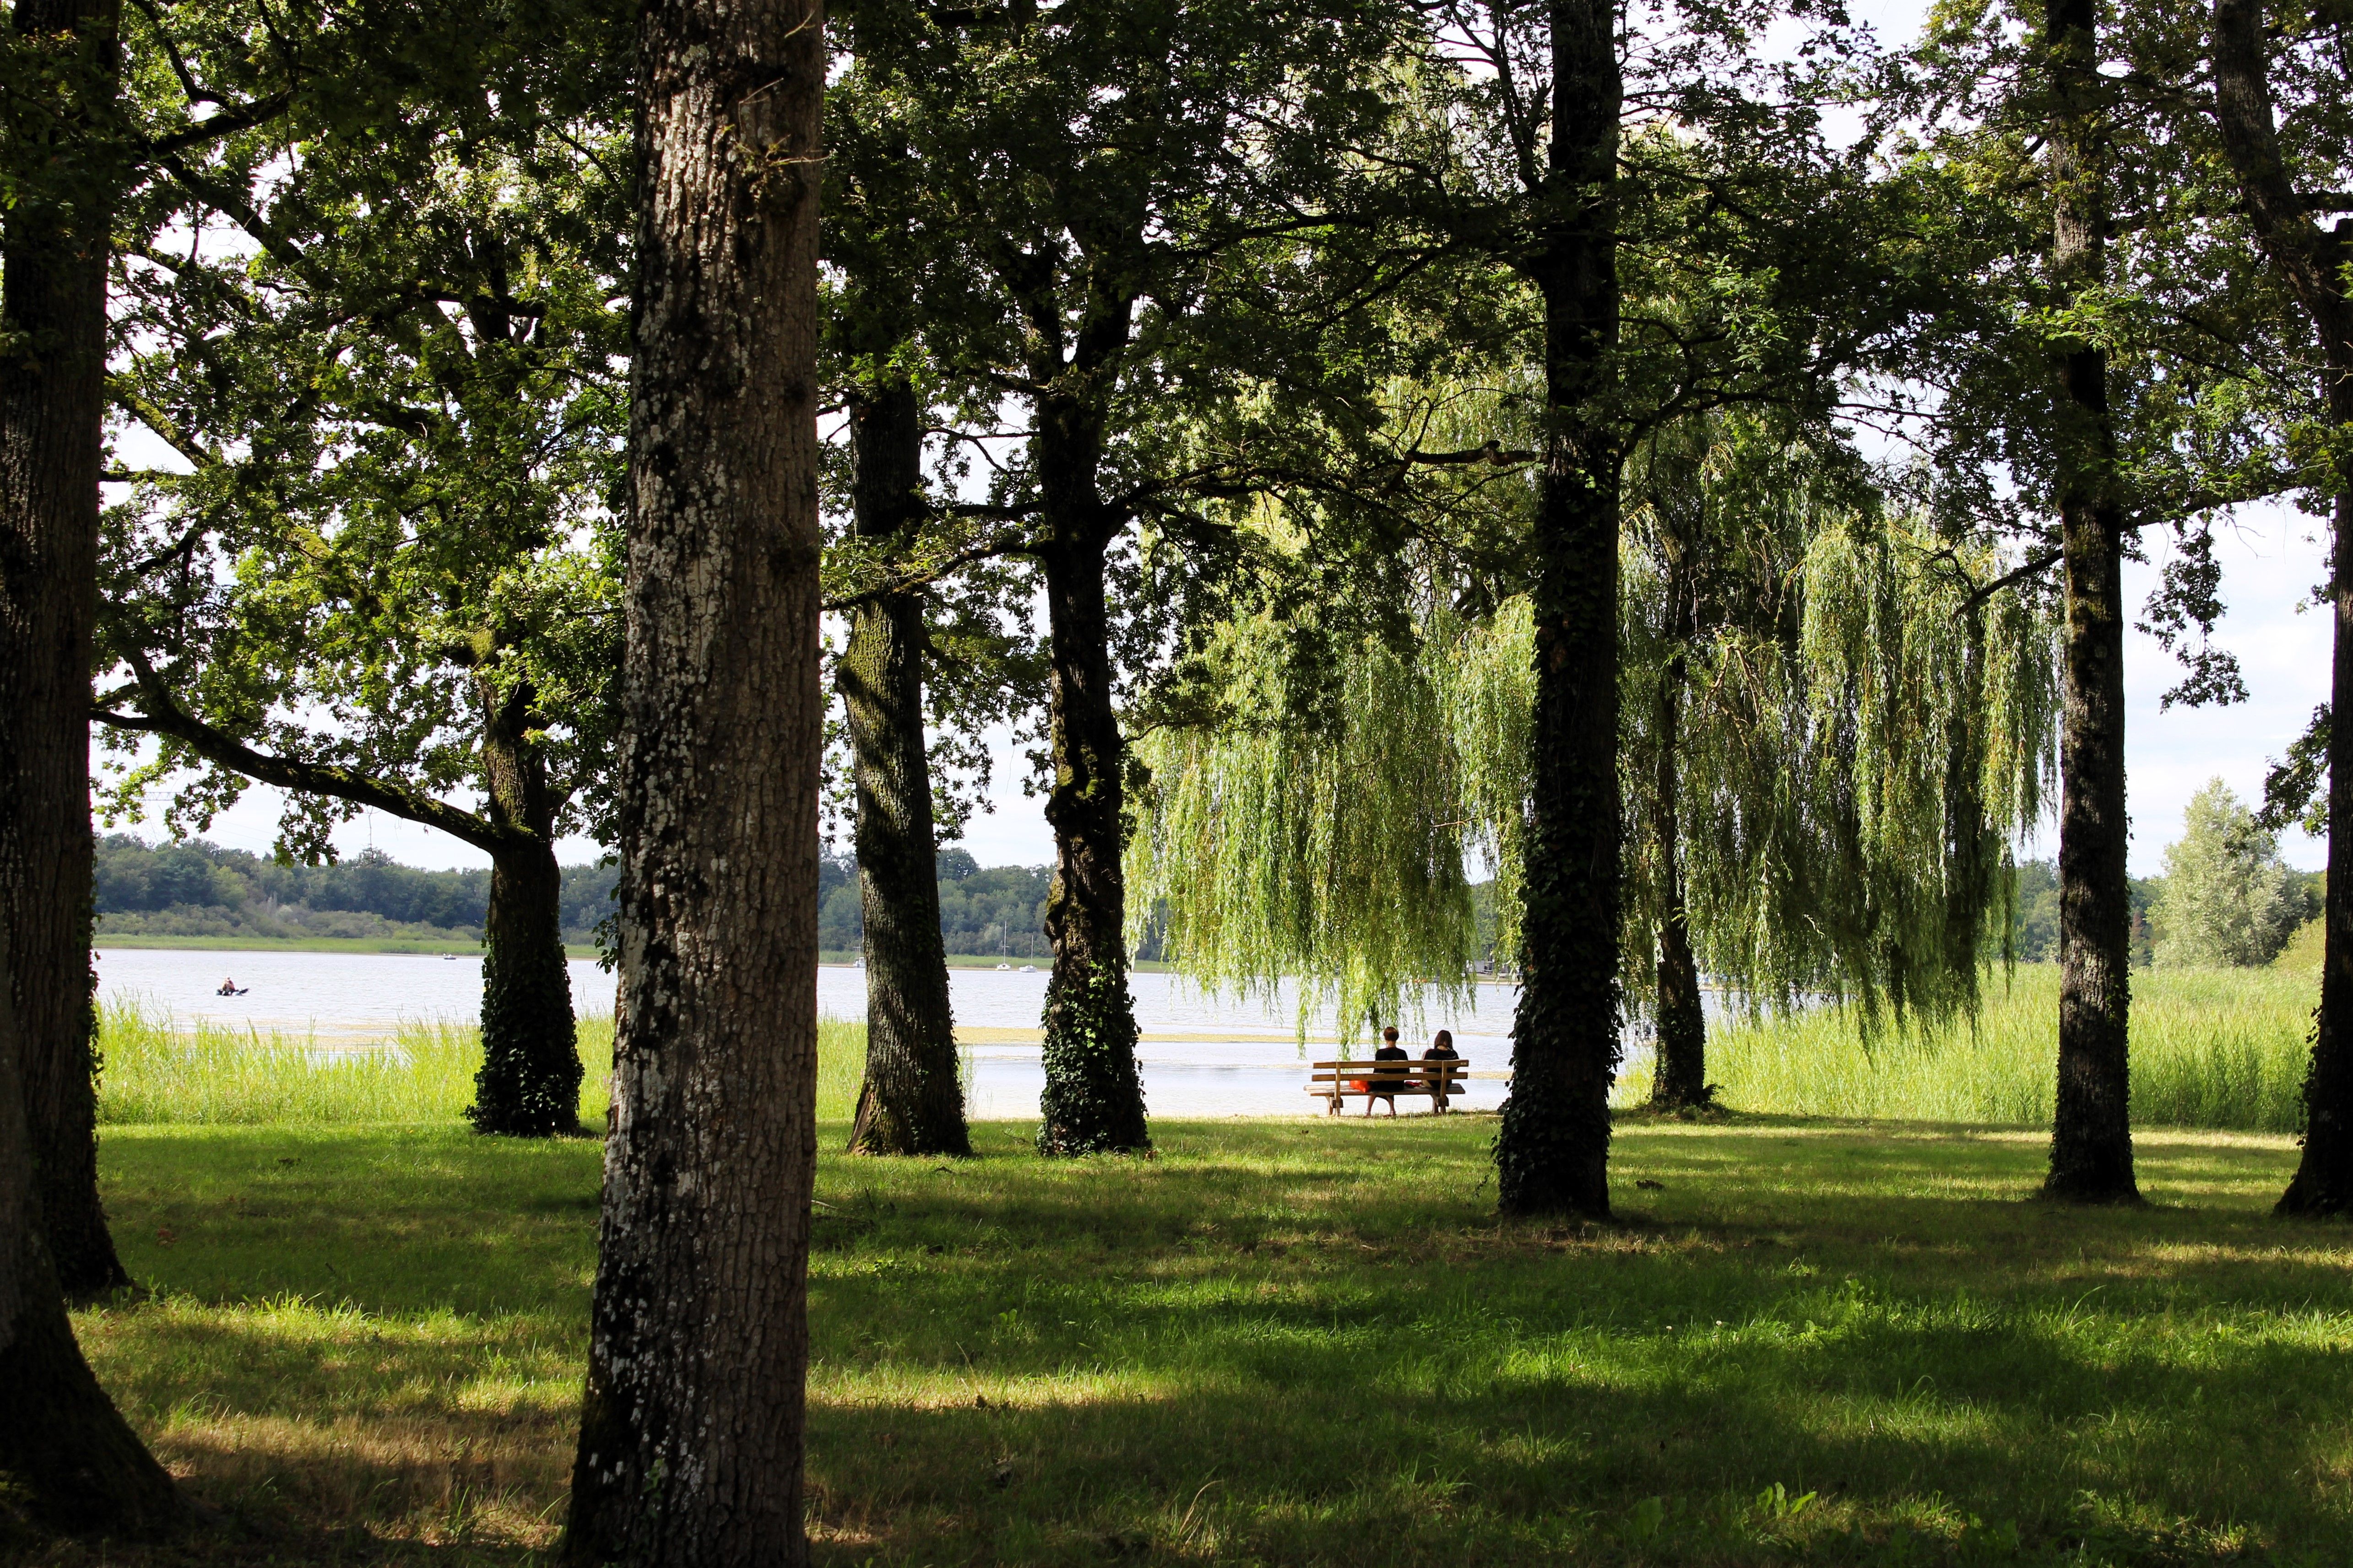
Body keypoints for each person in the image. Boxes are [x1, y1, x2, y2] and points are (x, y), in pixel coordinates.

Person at [1362, 1026, 1411, 1117]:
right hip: (1398, 1085)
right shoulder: (1403, 1053)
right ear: (1397, 1038)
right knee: (1390, 1082)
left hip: (1383, 1085)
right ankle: (1392, 1110)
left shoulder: (1381, 1053)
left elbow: (1376, 1073)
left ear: (1385, 1038)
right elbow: (1407, 1073)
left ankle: (1368, 1111)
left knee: (1375, 1084)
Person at [1422, 1028, 1460, 1112]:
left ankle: (1437, 1108)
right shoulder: (1454, 1055)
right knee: (1438, 1080)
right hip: (1447, 1084)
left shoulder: (1430, 1053)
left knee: (1425, 1077)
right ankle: (1437, 1109)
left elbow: (1424, 1072)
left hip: (1432, 1083)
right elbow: (1455, 1072)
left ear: (1437, 1040)